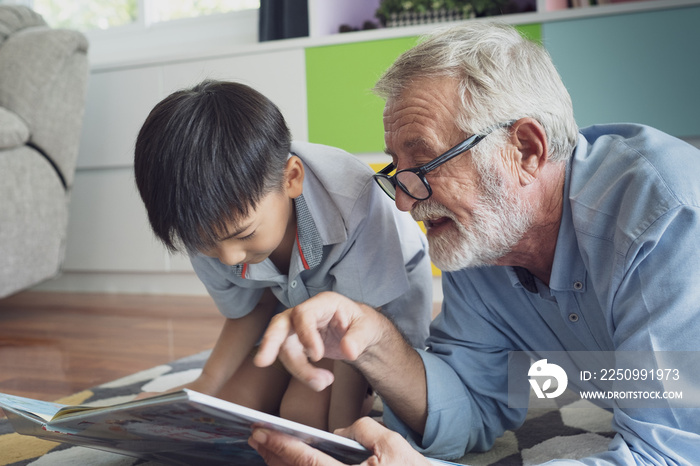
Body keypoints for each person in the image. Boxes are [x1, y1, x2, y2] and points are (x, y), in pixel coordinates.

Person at [248, 21, 700, 465]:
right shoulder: (486, 240)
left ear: (525, 149)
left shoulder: (665, 220)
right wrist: (374, 342)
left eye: (424, 164)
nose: (404, 203)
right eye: (397, 172)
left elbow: (671, 454)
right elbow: (472, 404)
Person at [133, 80, 433, 432]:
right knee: (231, 409)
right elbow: (253, 307)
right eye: (207, 245)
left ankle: (363, 397)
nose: (228, 259)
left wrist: (344, 430)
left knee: (302, 415)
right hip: (293, 314)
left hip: (373, 321)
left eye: (243, 235)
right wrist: (204, 385)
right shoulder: (203, 221)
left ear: (292, 179)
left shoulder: (355, 201)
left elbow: (358, 328)